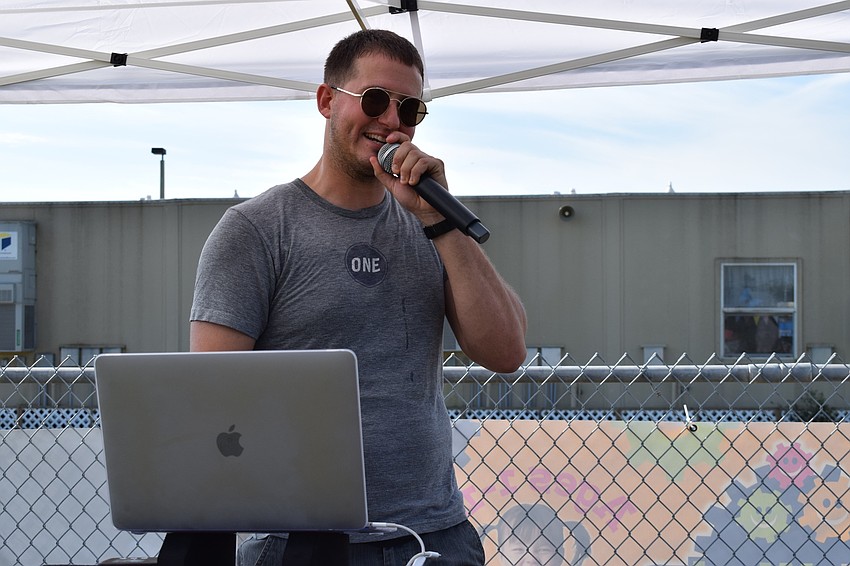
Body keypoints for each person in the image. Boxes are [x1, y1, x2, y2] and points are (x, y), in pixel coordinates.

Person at [189, 28, 527, 566]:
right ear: (327, 101)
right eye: (374, 100)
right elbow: (213, 396)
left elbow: (506, 351)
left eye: (410, 109)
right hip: (300, 538)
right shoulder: (255, 230)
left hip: (433, 534)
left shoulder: (431, 224)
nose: (391, 120)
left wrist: (440, 221)